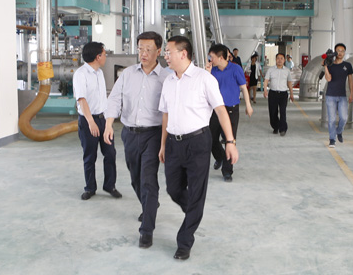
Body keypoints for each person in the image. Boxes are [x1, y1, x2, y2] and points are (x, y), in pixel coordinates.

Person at [159, 36, 239, 261]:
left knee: (196, 192)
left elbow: (221, 110)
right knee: (173, 189)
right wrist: (163, 144)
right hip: (173, 143)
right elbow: (165, 115)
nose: (165, 56)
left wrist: (230, 142)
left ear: (183, 54)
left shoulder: (205, 79)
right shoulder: (168, 81)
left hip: (197, 143)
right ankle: (194, 212)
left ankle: (184, 241)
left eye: (168, 52)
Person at [104, 32, 169, 249]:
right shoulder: (128, 74)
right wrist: (109, 124)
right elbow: (115, 98)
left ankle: (146, 230)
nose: (143, 53)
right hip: (130, 134)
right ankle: (150, 204)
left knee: (148, 180)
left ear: (158, 51)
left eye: (148, 49)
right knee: (135, 179)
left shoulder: (166, 78)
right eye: (140, 49)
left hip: (153, 134)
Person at [73, 42, 122, 201]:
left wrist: (108, 123)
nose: (106, 57)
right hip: (89, 121)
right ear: (97, 56)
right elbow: (82, 100)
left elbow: (103, 100)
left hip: (103, 119)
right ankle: (90, 188)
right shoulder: (81, 74)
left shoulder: (99, 73)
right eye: (104, 54)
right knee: (90, 156)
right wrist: (90, 122)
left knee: (110, 153)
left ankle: (110, 185)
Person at [205, 44, 253, 182]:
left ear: (220, 57)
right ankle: (220, 156)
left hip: (231, 109)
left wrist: (248, 105)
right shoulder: (212, 70)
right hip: (215, 110)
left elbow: (243, 88)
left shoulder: (235, 69)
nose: (210, 59)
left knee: (229, 140)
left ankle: (227, 171)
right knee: (211, 138)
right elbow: (205, 87)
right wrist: (207, 73)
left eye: (212, 57)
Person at [323, 43, 353, 148]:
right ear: (335, 52)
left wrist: (351, 93)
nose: (340, 53)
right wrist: (325, 66)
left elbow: (350, 80)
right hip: (330, 96)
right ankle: (332, 139)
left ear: (344, 53)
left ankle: (339, 131)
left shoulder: (348, 65)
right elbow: (328, 79)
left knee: (344, 118)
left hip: (342, 96)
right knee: (331, 119)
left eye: (342, 51)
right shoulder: (330, 65)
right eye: (338, 51)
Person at [263, 53, 294, 136]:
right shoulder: (271, 70)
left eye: (281, 58)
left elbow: (289, 82)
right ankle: (275, 127)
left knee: (283, 112)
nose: (279, 60)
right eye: (278, 58)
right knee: (273, 112)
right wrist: (265, 90)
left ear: (284, 60)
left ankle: (283, 129)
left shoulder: (287, 70)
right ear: (276, 59)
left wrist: (291, 93)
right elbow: (266, 80)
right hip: (273, 93)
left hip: (283, 94)